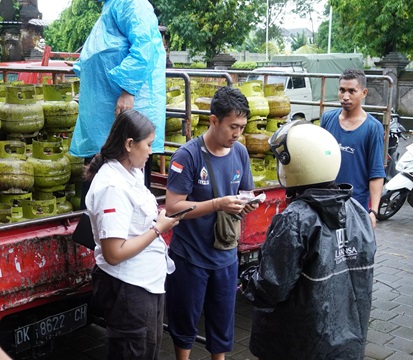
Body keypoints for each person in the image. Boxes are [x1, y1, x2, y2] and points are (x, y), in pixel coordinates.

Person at [241, 121, 376, 360]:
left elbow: (271, 287)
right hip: (346, 343)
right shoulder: (357, 210)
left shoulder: (294, 219)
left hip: (297, 344)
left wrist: (247, 277)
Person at [164, 87, 257, 360]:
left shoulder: (240, 153)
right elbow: (173, 207)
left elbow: (246, 192)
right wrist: (217, 204)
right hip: (190, 257)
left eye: (242, 127)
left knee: (223, 323)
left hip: (226, 256)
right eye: (232, 126)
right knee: (184, 322)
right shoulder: (188, 156)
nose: (237, 133)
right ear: (214, 120)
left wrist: (248, 203)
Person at [85, 109, 181, 360]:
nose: (151, 151)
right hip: (129, 287)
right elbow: (114, 253)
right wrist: (158, 229)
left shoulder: (132, 172)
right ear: (129, 144)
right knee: (134, 352)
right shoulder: (112, 187)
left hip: (147, 282)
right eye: (148, 144)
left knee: (147, 350)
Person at [70, 0, 166, 188]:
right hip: (104, 121)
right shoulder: (111, 6)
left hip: (124, 113)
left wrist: (128, 89)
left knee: (125, 190)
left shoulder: (132, 4)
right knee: (98, 191)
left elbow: (145, 47)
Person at [320, 68, 385, 228]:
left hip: (356, 205)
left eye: (351, 91)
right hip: (326, 202)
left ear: (363, 93)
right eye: (342, 90)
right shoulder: (328, 119)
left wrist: (374, 212)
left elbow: (376, 172)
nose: (345, 97)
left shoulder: (373, 127)